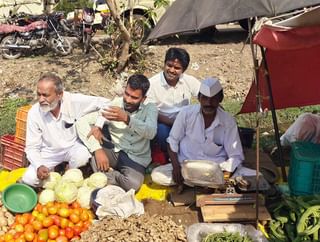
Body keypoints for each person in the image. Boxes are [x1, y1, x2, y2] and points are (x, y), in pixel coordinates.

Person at [151, 77, 244, 186]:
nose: (208, 103)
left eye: (213, 99)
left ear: (220, 99)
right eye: (205, 98)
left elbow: (236, 155)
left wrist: (224, 175)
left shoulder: (228, 121)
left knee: (242, 175)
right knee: (157, 175)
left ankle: (196, 184)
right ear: (199, 98)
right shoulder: (186, 114)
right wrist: (176, 168)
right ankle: (201, 184)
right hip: (186, 166)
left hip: (214, 169)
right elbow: (172, 142)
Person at [22, 72, 110, 187]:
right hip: (49, 152)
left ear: (59, 95)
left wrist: (98, 125)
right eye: (39, 94)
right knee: (29, 179)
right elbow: (32, 147)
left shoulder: (74, 101)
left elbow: (107, 103)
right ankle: (52, 170)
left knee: (82, 156)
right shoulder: (34, 113)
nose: (40, 99)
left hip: (72, 146)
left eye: (45, 95)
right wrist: (39, 165)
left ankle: (69, 171)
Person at [76, 74, 158, 191]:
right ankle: (107, 173)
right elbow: (82, 121)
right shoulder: (115, 104)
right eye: (127, 94)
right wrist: (97, 149)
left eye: (134, 97)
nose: (128, 100)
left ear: (143, 99)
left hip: (135, 157)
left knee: (133, 184)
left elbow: (151, 132)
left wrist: (127, 119)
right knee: (95, 159)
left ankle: (111, 175)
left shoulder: (150, 109)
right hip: (113, 150)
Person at [145, 47, 200, 153]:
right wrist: (174, 122)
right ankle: (169, 156)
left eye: (177, 68)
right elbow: (149, 111)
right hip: (164, 124)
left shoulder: (189, 81)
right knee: (162, 132)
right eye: (169, 65)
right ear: (164, 64)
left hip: (186, 124)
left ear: (183, 70)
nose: (171, 70)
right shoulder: (152, 84)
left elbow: (205, 96)